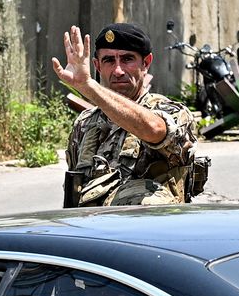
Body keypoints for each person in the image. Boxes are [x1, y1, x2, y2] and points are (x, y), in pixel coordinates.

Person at [59, 22, 201, 207]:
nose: (118, 71)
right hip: (93, 229)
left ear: (146, 63)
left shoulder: (172, 112)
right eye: (109, 60)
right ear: (97, 66)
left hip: (146, 230)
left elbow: (154, 129)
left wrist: (88, 86)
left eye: (127, 59)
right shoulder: (85, 122)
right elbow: (75, 188)